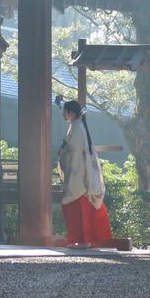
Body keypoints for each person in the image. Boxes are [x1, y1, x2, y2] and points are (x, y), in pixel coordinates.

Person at [57, 100, 112, 248]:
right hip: (79, 172)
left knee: (78, 208)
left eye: (65, 112)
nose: (63, 114)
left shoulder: (77, 127)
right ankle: (81, 240)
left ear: (72, 113)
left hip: (79, 173)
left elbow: (75, 152)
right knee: (78, 209)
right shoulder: (76, 126)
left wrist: (64, 154)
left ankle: (83, 240)